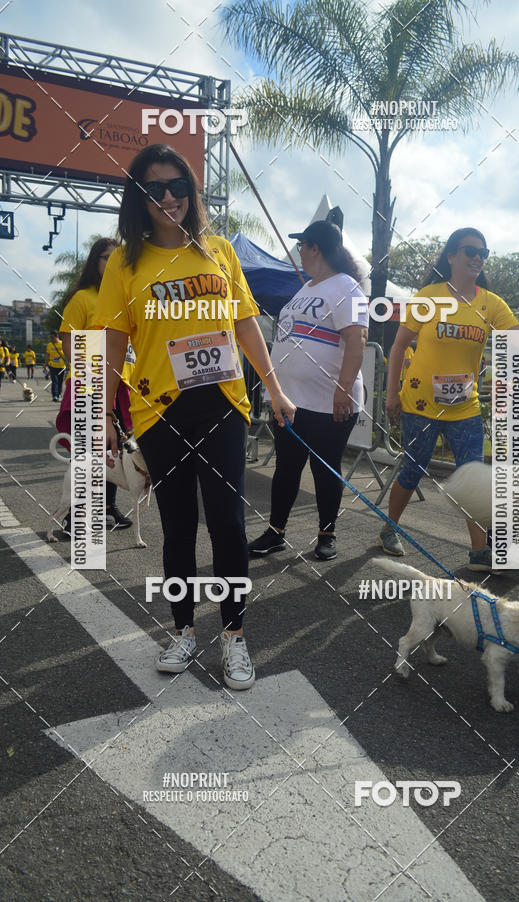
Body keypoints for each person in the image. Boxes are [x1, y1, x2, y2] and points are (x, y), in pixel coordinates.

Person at [94, 142, 295, 689]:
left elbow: (248, 323)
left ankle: (234, 637)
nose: (168, 197)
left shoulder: (219, 251)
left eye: (179, 186)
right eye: (155, 188)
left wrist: (275, 388)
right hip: (159, 411)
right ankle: (183, 630)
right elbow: (112, 345)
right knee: (178, 526)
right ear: (138, 197)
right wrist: (102, 420)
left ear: (192, 193)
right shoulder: (125, 263)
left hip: (223, 406)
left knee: (228, 523)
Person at [381, 227, 519, 572]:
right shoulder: (429, 297)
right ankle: (389, 527)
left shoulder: (490, 302)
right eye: (469, 250)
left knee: (472, 474)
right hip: (421, 404)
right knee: (413, 469)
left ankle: (477, 551)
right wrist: (392, 392)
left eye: (482, 252)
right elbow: (399, 345)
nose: (477, 257)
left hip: (464, 407)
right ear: (451, 256)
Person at [248, 220, 368, 561]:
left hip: (330, 402)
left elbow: (357, 341)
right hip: (292, 401)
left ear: (315, 248)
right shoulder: (308, 287)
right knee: (286, 468)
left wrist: (344, 389)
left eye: (302, 245)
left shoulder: (349, 288)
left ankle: (327, 535)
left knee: (324, 468)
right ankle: (275, 533)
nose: (299, 251)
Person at [57, 237, 133, 534]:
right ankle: (73, 516)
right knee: (87, 454)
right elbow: (68, 346)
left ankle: (107, 508)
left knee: (112, 451)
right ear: (95, 262)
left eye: (119, 258)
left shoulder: (123, 300)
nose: (112, 263)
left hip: (119, 388)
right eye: (106, 257)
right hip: (88, 387)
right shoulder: (82, 299)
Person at [45, 331, 66, 401]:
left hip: (61, 366)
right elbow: (47, 356)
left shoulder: (62, 343)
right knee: (54, 381)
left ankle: (59, 395)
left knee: (60, 381)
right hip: (52, 366)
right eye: (50, 337)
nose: (51, 339)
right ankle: (54, 396)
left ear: (57, 336)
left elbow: (66, 354)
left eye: (52, 337)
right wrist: (45, 366)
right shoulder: (49, 345)